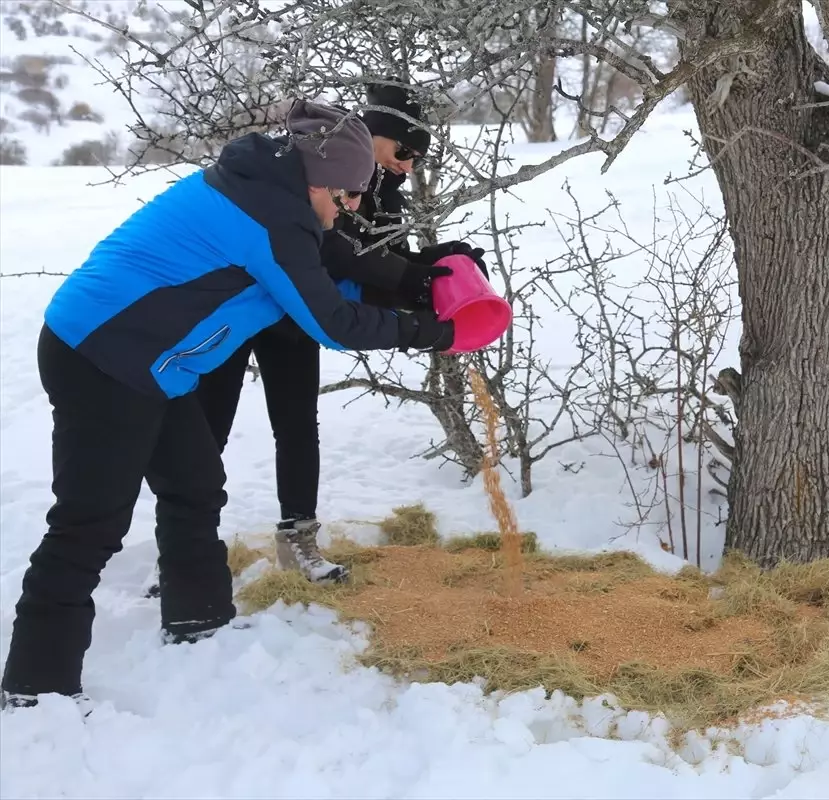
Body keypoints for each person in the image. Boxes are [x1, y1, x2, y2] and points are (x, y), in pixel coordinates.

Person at [0, 98, 457, 711]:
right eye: (345, 198)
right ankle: (37, 686)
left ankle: (199, 621)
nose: (347, 210)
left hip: (155, 361)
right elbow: (333, 320)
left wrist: (415, 281)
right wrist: (437, 332)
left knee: (193, 484)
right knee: (90, 522)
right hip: (101, 355)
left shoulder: (274, 188)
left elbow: (329, 252)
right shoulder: (269, 214)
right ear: (319, 181)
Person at [142, 82, 490, 591]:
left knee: (298, 425)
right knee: (208, 428)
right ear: (374, 134)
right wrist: (408, 277)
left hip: (297, 320)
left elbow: (377, 269)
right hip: (238, 313)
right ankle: (182, 551)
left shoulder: (384, 194)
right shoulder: (313, 172)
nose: (409, 166)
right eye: (404, 151)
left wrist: (434, 264)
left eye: (418, 158)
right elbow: (330, 251)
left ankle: (299, 540)